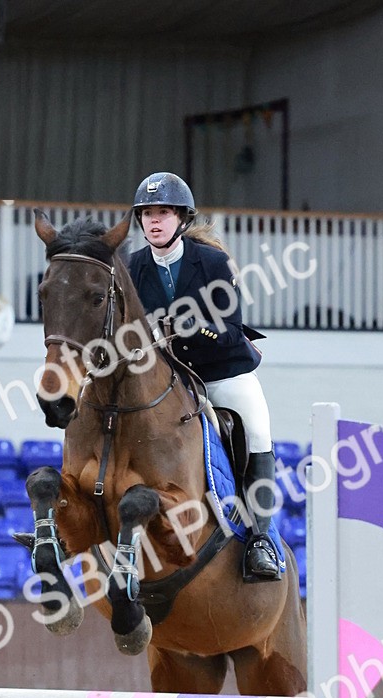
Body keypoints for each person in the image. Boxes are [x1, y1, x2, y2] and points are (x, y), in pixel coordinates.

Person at [128, 171, 280, 581]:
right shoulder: (133, 267)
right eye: (147, 214)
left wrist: (192, 327)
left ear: (181, 217)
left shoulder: (212, 263)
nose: (154, 221)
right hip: (168, 381)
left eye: (163, 212)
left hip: (221, 373)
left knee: (258, 431)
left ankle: (261, 539)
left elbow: (229, 330)